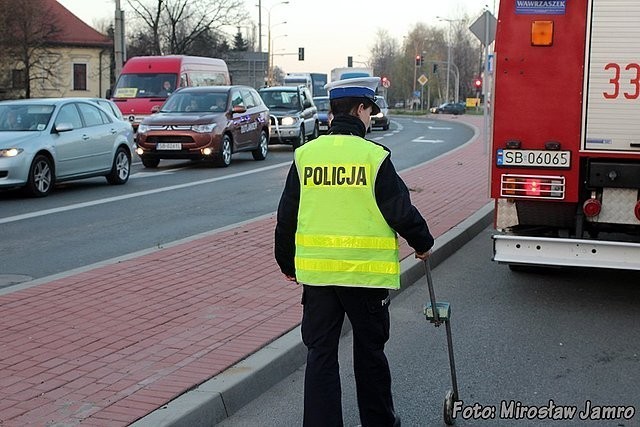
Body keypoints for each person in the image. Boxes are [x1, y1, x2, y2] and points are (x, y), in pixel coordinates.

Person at [274, 77, 434, 427]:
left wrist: (287, 262)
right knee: (369, 353)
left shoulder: (306, 156)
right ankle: (378, 422)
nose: (370, 118)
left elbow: (287, 214)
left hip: (318, 278)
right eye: (369, 111)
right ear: (360, 109)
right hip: (364, 276)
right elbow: (400, 210)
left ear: (333, 113)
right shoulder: (372, 157)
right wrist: (422, 243)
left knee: (320, 354)